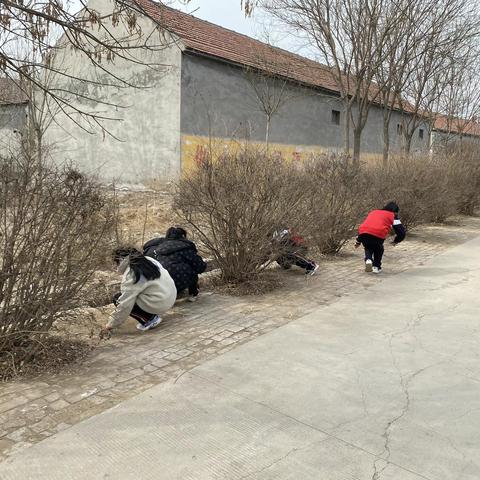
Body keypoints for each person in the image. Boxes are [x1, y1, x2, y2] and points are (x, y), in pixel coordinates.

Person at [105, 247, 177, 333]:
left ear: (120, 260)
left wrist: (111, 324)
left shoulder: (131, 274)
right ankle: (152, 313)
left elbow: (124, 305)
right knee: (137, 292)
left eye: (115, 262)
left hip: (160, 302)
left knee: (118, 298)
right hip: (171, 296)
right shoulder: (148, 260)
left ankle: (149, 319)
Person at [143, 227, 207, 302]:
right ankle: (193, 294)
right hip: (182, 281)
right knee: (192, 267)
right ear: (182, 236)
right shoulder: (185, 247)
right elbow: (199, 265)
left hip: (164, 284)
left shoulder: (159, 247)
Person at [355, 201, 406, 274]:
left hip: (363, 231)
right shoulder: (392, 216)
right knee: (379, 249)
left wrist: (358, 242)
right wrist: (396, 240)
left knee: (368, 247)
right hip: (378, 233)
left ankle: (368, 260)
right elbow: (401, 232)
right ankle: (376, 267)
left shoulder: (374, 212)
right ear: (395, 211)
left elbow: (367, 225)